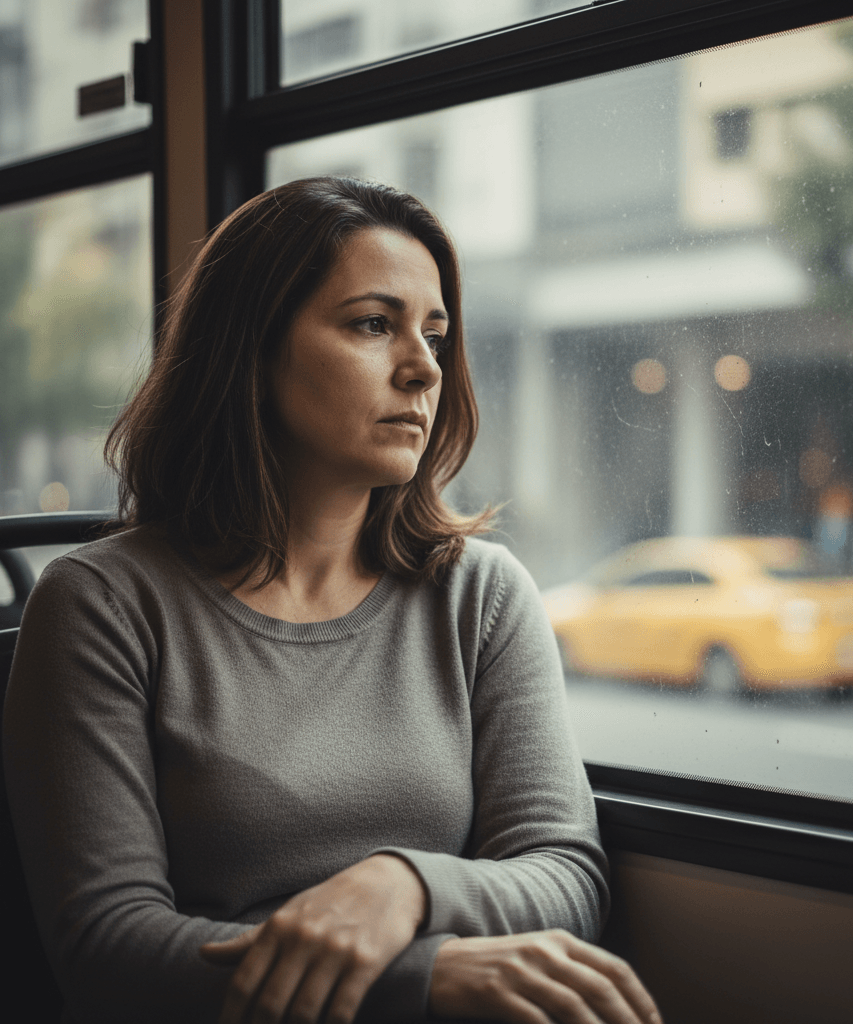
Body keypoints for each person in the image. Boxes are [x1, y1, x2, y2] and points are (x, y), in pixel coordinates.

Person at [3, 178, 661, 1024]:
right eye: (372, 324)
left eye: (435, 333)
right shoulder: (102, 605)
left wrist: (403, 887)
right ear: (253, 348)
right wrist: (422, 981)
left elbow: (566, 875)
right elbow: (108, 950)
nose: (425, 365)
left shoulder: (482, 595)